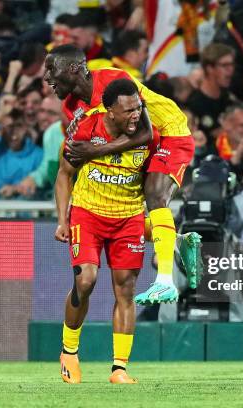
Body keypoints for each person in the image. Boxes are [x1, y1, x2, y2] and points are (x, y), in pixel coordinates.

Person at [44, 44, 201, 305]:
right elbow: (88, 144)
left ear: (73, 68)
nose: (47, 77)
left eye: (51, 68)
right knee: (122, 213)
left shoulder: (114, 80)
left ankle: (164, 281)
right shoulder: (73, 107)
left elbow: (145, 132)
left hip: (168, 133)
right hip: (135, 149)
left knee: (155, 196)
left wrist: (94, 151)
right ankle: (176, 242)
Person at [54, 79, 157, 384]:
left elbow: (159, 179)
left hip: (129, 218)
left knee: (125, 289)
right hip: (87, 214)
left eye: (138, 108)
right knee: (85, 280)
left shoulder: (149, 136)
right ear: (109, 111)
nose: (136, 115)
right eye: (128, 111)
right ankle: (69, 352)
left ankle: (119, 369)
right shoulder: (85, 129)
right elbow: (64, 175)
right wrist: (62, 219)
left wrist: (158, 222)